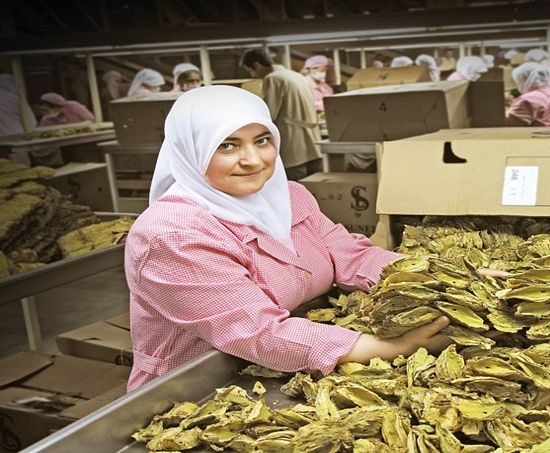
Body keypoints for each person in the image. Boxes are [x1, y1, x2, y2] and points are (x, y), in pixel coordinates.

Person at [125, 85, 451, 391]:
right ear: (190, 150)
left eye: (262, 140)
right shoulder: (173, 236)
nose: (253, 159)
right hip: (196, 389)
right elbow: (258, 333)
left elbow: (351, 254)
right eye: (227, 145)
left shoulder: (288, 196)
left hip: (283, 366)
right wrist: (395, 346)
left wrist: (442, 279)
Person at [240, 48, 321, 180]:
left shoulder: (273, 79)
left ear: (256, 65)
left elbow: (269, 114)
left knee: (295, 191)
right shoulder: (296, 76)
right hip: (312, 144)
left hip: (293, 147)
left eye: (251, 71)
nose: (253, 75)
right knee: (312, 190)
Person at [506, 62, 550, 127]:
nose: (517, 85)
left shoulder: (528, 98)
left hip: (534, 135)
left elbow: (512, 122)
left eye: (517, 81)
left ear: (524, 80)